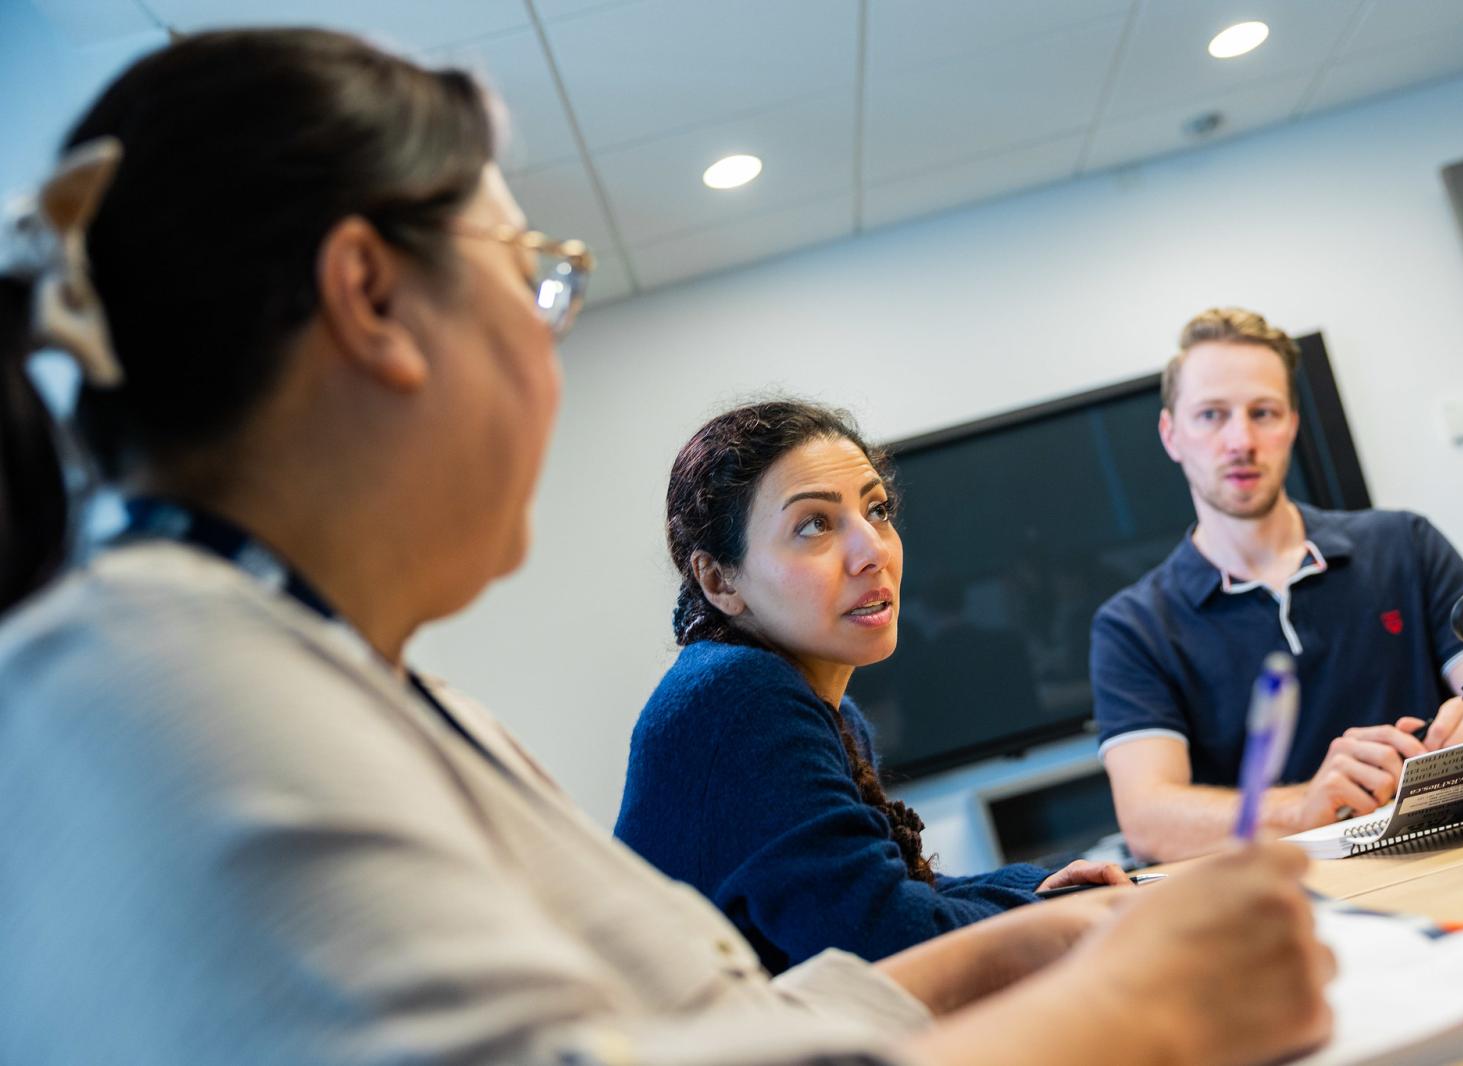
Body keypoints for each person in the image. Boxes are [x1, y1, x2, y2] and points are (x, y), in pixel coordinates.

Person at [0, 32, 1333, 1065]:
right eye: (535, 277)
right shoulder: (163, 684)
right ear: (370, 298)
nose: (548, 339)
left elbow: (678, 1030)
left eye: (878, 509)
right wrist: (1139, 1007)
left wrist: (1019, 942)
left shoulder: (332, 676)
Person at [616, 402, 1118, 976]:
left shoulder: (820, 706)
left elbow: (898, 891)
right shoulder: (740, 698)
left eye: (877, 511)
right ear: (719, 580)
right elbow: (891, 940)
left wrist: (1044, 884)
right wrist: (1052, 908)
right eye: (814, 525)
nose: (873, 551)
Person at [1091, 307, 1463, 863]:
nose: (1241, 440)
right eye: (1211, 415)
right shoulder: (1132, 627)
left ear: (1293, 425)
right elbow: (1149, 822)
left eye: (1264, 412)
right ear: (1171, 434)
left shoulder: (1405, 544)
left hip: (1460, 857)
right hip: (1284, 904)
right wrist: (1306, 805)